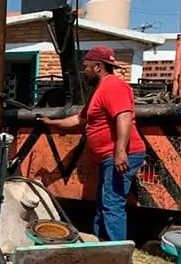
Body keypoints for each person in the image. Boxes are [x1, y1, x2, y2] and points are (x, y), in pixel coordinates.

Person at [39, 45, 146, 246]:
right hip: (108, 157)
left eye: (86, 67)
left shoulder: (114, 86)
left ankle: (117, 254)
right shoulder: (100, 90)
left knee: (112, 203)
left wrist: (120, 151)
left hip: (119, 155)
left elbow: (124, 118)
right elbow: (80, 119)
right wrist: (51, 122)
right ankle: (99, 245)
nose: (84, 71)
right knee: (105, 201)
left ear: (98, 67)